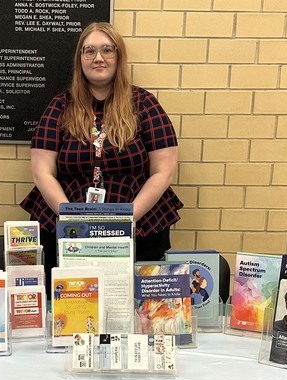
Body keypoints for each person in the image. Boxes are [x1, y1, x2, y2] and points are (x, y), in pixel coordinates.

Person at [20, 22, 182, 286]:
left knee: (135, 304)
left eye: (107, 50)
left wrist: (125, 221)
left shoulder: (144, 104)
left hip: (140, 227)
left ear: (119, 57)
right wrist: (72, 221)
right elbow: (42, 171)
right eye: (90, 51)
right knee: (69, 300)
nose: (98, 58)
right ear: (80, 58)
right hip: (68, 231)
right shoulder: (60, 106)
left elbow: (163, 172)